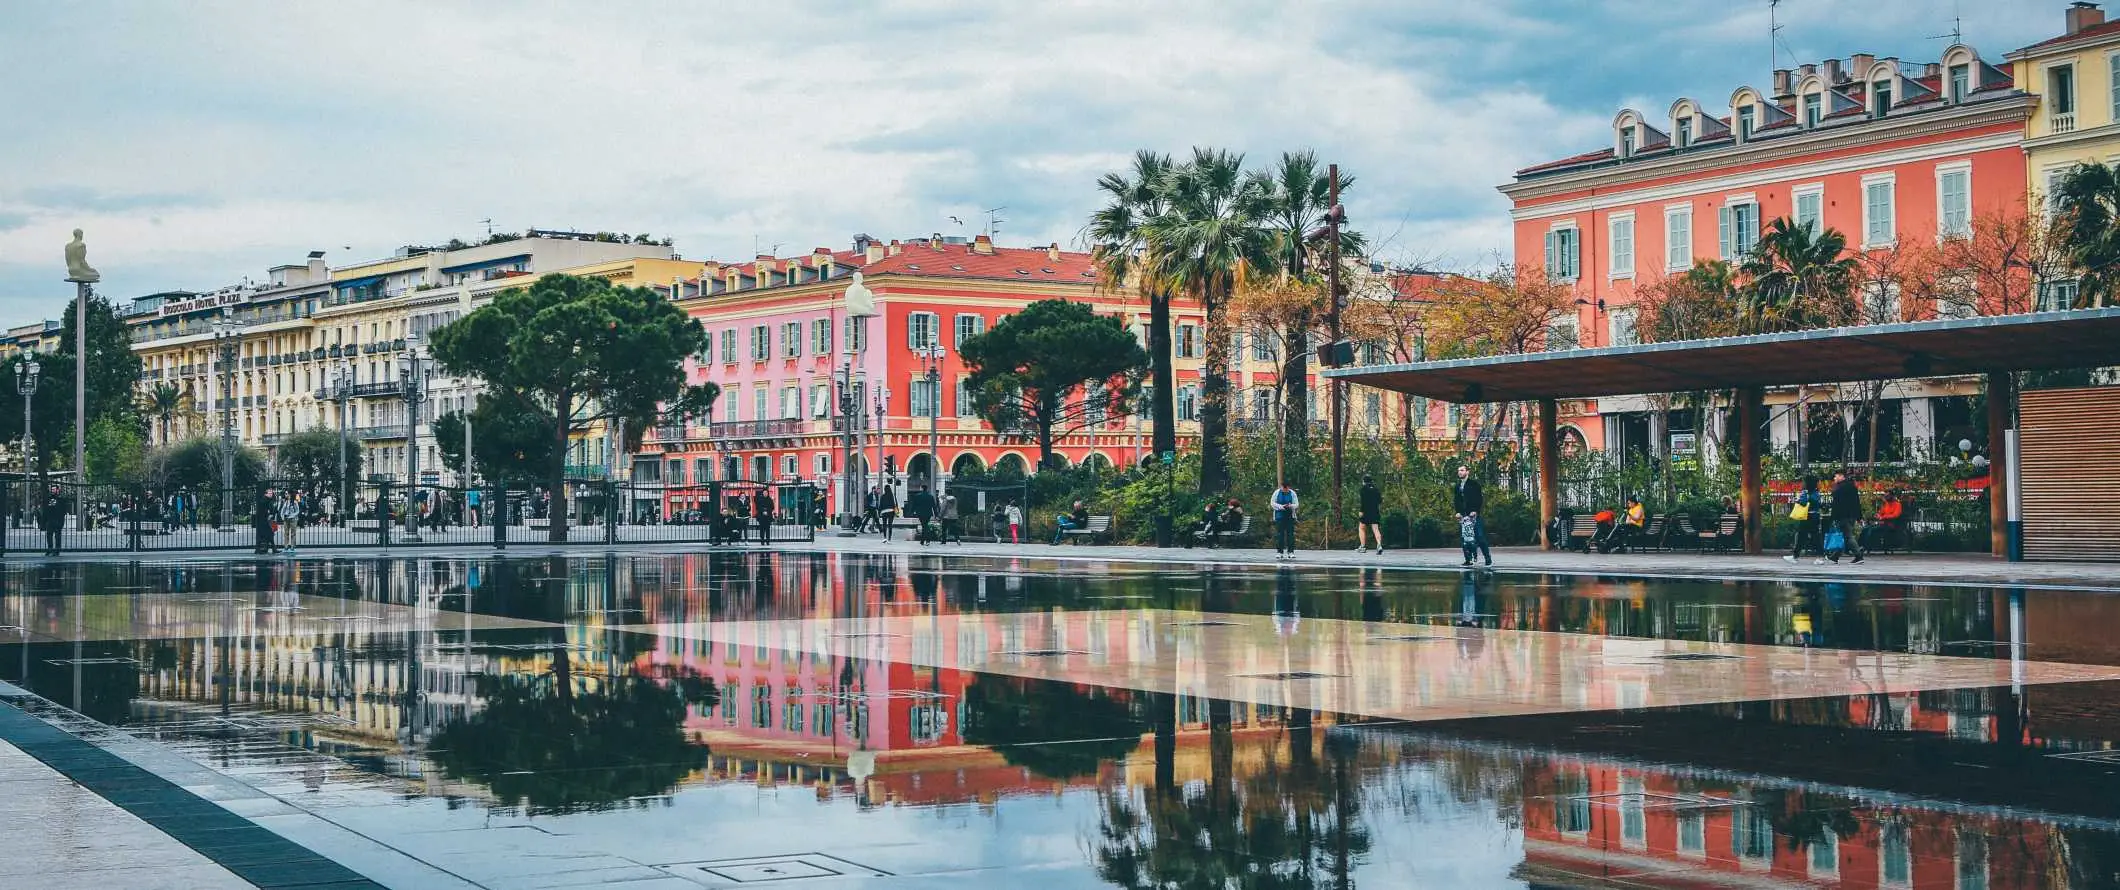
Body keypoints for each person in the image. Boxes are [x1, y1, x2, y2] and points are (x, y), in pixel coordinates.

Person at [1452, 465, 1491, 567]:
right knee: (1465, 538)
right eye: (1459, 470)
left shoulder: (1474, 484)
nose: (1460, 472)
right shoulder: (1457, 486)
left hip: (1473, 515)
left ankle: (1488, 559)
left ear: (1467, 472)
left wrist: (1475, 511)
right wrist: (1458, 512)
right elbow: (1456, 500)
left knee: (1479, 537)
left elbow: (1479, 499)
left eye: (1462, 470)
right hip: (1463, 516)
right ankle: (1468, 560)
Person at [1828, 470, 1866, 564]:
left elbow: (1836, 505)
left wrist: (1833, 517)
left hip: (1842, 515)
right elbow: (1857, 502)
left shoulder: (1839, 488)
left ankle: (1858, 555)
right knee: (1845, 536)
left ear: (1842, 476)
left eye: (1836, 476)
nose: (1834, 478)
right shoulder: (1852, 487)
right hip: (1852, 515)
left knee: (1848, 536)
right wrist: (1859, 516)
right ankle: (1835, 556)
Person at [1784, 475, 1823, 563]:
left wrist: (1797, 500)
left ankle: (1795, 556)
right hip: (1815, 516)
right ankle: (1820, 557)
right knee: (1815, 536)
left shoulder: (1806, 493)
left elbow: (1803, 503)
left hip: (1807, 517)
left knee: (1802, 536)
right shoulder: (1816, 493)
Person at [1269, 482, 1299, 560]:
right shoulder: (1276, 493)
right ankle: (1280, 552)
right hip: (1280, 516)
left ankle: (1291, 552)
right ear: (1281, 487)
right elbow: (1272, 503)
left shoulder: (1292, 493)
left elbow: (1296, 504)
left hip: (1289, 516)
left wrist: (1291, 506)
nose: (1285, 490)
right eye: (1283, 488)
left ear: (1288, 487)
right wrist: (1281, 506)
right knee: (1280, 534)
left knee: (1290, 535)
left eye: (1286, 488)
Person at [1357, 476, 1384, 554]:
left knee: (1361, 528)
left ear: (1364, 482)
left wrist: (1361, 511)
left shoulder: (1363, 489)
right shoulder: (1376, 490)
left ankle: (1363, 546)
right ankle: (1379, 545)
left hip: (1366, 511)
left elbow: (1363, 501)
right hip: (1375, 511)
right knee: (1376, 529)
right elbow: (1380, 501)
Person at [37, 487, 65, 556]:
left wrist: (61, 519)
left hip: (58, 520)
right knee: (49, 535)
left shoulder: (61, 499)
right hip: (50, 520)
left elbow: (63, 510)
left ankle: (57, 549)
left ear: (58, 490)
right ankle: (50, 548)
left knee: (57, 536)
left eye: (54, 489)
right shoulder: (48, 499)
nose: (52, 490)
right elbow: (45, 510)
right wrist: (43, 521)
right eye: (51, 489)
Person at [252, 488, 277, 554]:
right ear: (266, 494)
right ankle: (270, 549)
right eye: (269, 493)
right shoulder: (265, 500)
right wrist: (269, 514)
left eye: (272, 493)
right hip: (264, 521)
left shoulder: (267, 500)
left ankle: (263, 549)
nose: (271, 494)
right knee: (268, 534)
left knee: (268, 534)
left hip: (264, 520)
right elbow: (265, 510)